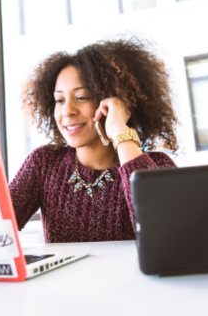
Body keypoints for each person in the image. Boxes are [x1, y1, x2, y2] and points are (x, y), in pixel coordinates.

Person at [9, 39, 179, 243]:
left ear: (113, 103)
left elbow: (166, 232)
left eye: (81, 97)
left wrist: (119, 131)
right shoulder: (43, 163)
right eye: (59, 100)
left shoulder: (157, 165)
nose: (67, 111)